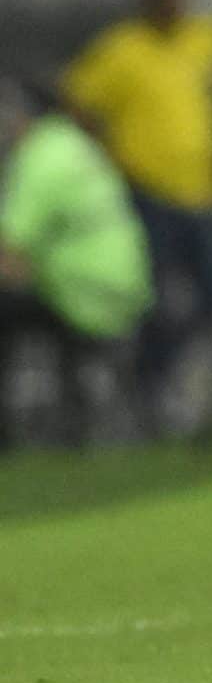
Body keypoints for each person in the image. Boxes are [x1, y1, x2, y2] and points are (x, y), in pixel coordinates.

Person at [62, 0, 212, 433]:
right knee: (154, 299)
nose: (170, 5)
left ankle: (183, 388)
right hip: (148, 194)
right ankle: (149, 389)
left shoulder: (201, 38)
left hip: (203, 191)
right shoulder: (123, 48)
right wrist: (104, 156)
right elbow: (76, 99)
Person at [0, 77, 153, 448]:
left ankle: (8, 433)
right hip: (126, 286)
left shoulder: (39, 159)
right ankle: (73, 419)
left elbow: (8, 252)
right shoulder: (72, 144)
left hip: (84, 294)